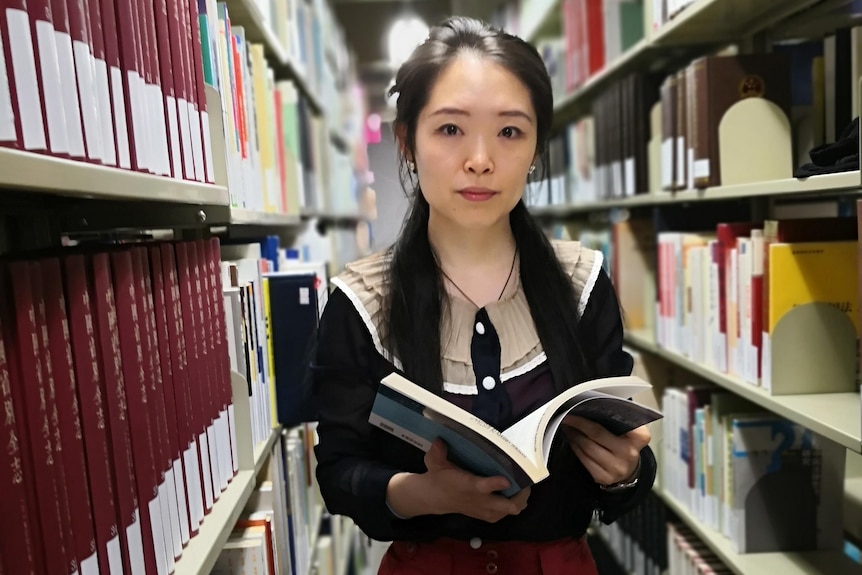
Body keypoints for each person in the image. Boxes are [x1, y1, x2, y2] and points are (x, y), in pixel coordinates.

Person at [312, 15, 656, 574]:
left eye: (510, 131)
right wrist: (419, 494)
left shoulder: (581, 283)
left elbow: (627, 465)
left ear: (537, 147)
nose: (480, 158)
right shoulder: (362, 302)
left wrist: (627, 474)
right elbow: (338, 471)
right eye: (450, 129)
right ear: (407, 141)